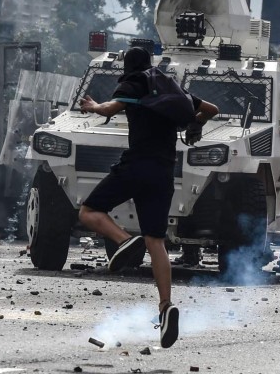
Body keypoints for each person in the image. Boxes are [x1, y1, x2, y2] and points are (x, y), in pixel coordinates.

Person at [77, 46, 219, 348]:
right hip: (164, 173)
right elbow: (211, 110)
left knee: (89, 211)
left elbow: (110, 109)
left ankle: (124, 240)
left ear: (128, 67)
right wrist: (196, 124)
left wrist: (92, 106)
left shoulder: (134, 84)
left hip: (137, 166)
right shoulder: (171, 88)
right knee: (156, 241)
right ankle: (166, 305)